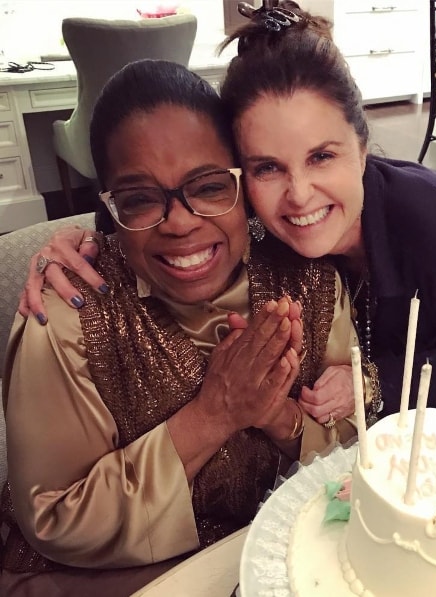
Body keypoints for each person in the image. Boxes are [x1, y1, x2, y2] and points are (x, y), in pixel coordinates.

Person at [20, 1, 436, 445]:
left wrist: (372, 382)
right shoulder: (242, 204)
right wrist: (76, 243)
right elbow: (151, 194)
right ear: (239, 174)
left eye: (323, 156)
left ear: (364, 147)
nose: (297, 196)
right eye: (268, 166)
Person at [0, 59, 364, 596]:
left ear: (243, 182)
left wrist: (276, 413)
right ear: (111, 207)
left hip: (270, 550)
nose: (179, 221)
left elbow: (350, 441)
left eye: (209, 187)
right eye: (140, 199)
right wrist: (213, 414)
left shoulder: (307, 278)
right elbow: (55, 517)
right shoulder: (71, 317)